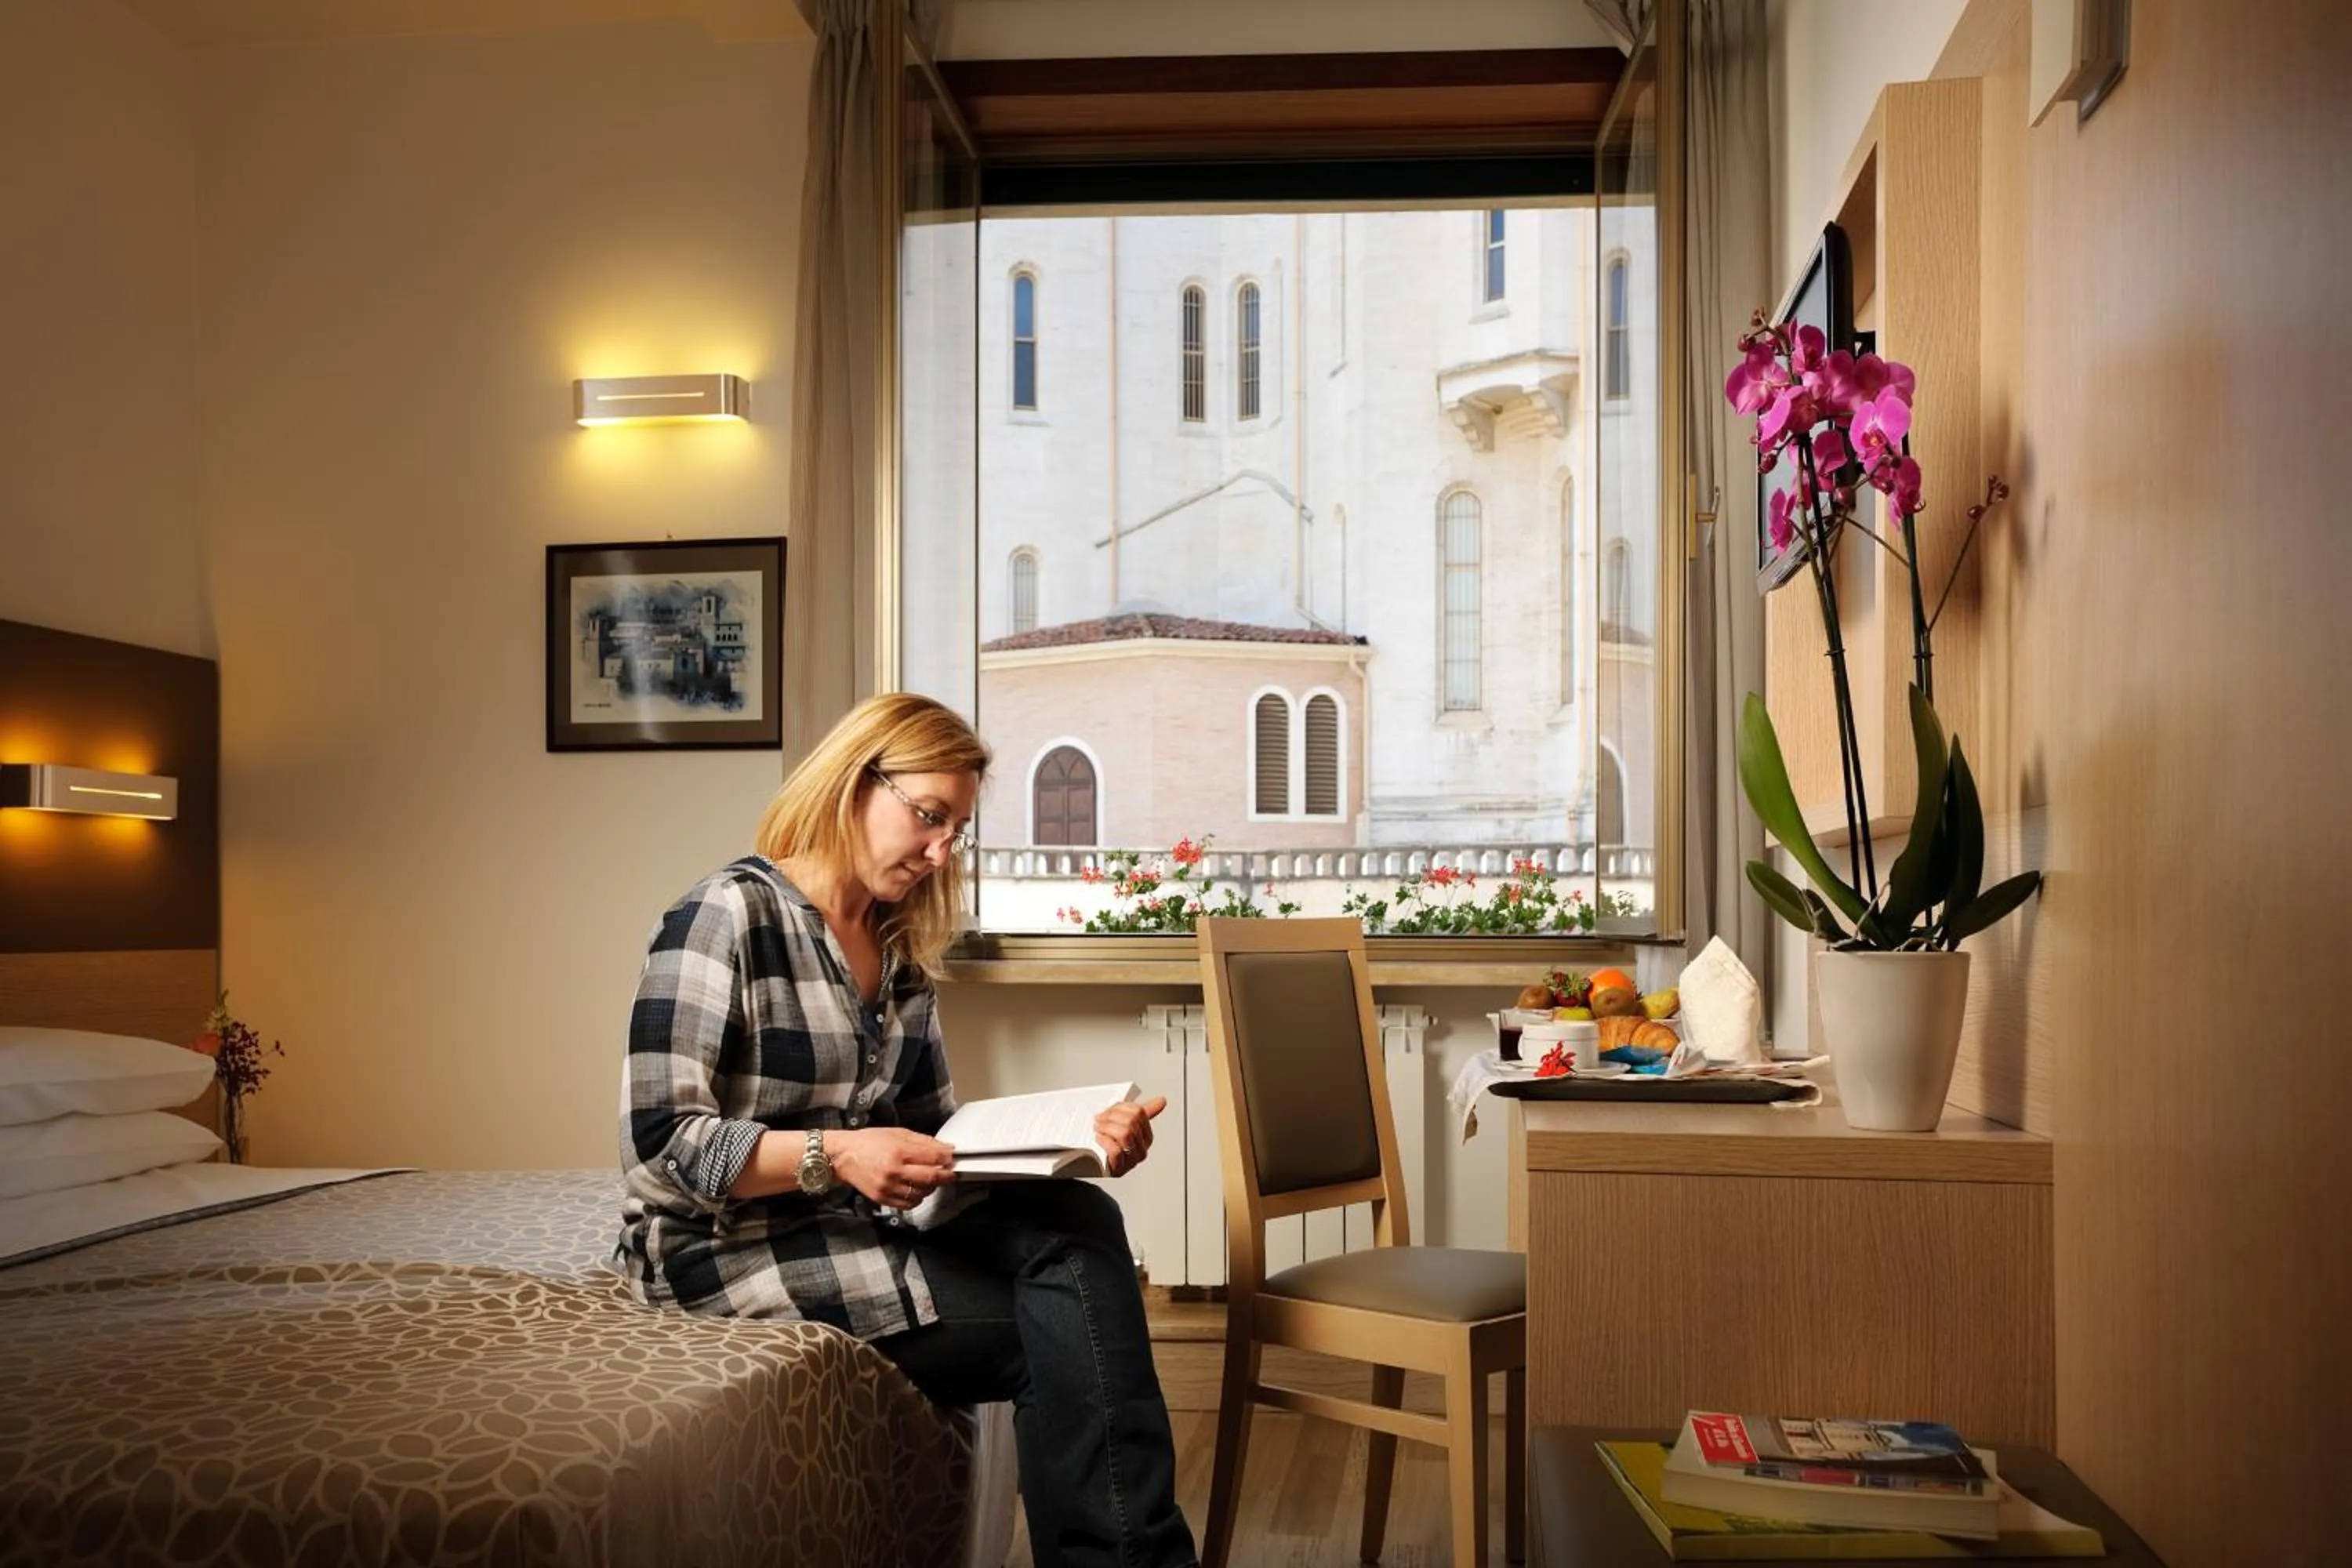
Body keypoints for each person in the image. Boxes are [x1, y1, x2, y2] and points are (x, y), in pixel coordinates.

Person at [615, 691, 1198, 1567]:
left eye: (956, 829)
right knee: (1074, 1340)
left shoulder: (896, 950)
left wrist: (1074, 1134)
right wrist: (837, 1153)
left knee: (1082, 1219)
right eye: (929, 817)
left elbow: (934, 1135)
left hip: (854, 1223)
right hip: (724, 1244)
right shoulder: (724, 916)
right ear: (854, 783)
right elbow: (660, 1147)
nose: (941, 850)